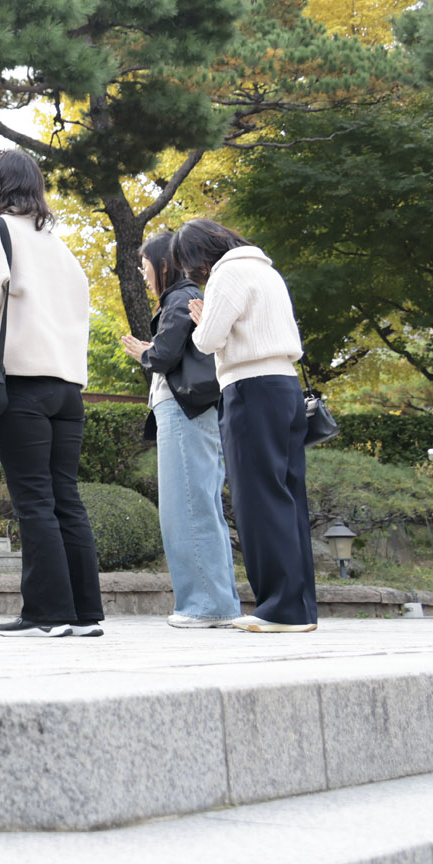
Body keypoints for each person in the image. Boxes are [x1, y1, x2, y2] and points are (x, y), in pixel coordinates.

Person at [0, 149, 99, 639]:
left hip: (22, 383)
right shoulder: (58, 244)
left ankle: (47, 611)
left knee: (34, 500)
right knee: (65, 499)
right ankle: (83, 614)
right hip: (67, 388)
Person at [176, 219, 317, 632]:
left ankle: (278, 609)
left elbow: (206, 341)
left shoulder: (227, 273)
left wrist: (201, 319)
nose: (194, 273)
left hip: (250, 388)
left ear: (203, 253)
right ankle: (299, 608)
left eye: (192, 263)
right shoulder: (266, 271)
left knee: (258, 498)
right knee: (288, 497)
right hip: (286, 386)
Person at [119, 233, 241, 629]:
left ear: (164, 264)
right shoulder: (187, 296)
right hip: (196, 411)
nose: (143, 273)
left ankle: (205, 604)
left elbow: (166, 354)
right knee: (200, 504)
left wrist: (145, 353)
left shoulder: (178, 298)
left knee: (186, 506)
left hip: (183, 410)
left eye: (146, 265)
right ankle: (216, 602)